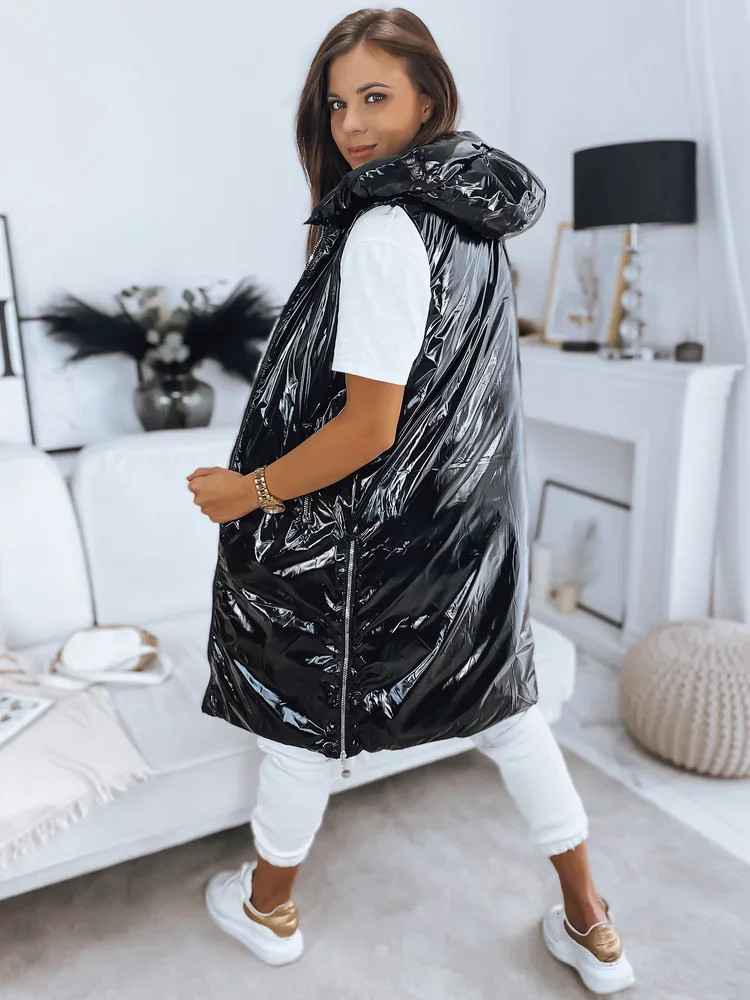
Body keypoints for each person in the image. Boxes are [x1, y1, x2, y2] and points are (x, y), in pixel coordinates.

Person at [186, 8, 636, 995]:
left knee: (304, 720)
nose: (351, 123)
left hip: (372, 543)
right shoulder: (474, 228)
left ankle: (268, 909)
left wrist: (246, 492)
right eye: (336, 103)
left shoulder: (386, 229)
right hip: (468, 532)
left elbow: (367, 429)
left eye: (375, 97)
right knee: (510, 715)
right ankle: (593, 923)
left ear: (429, 102)